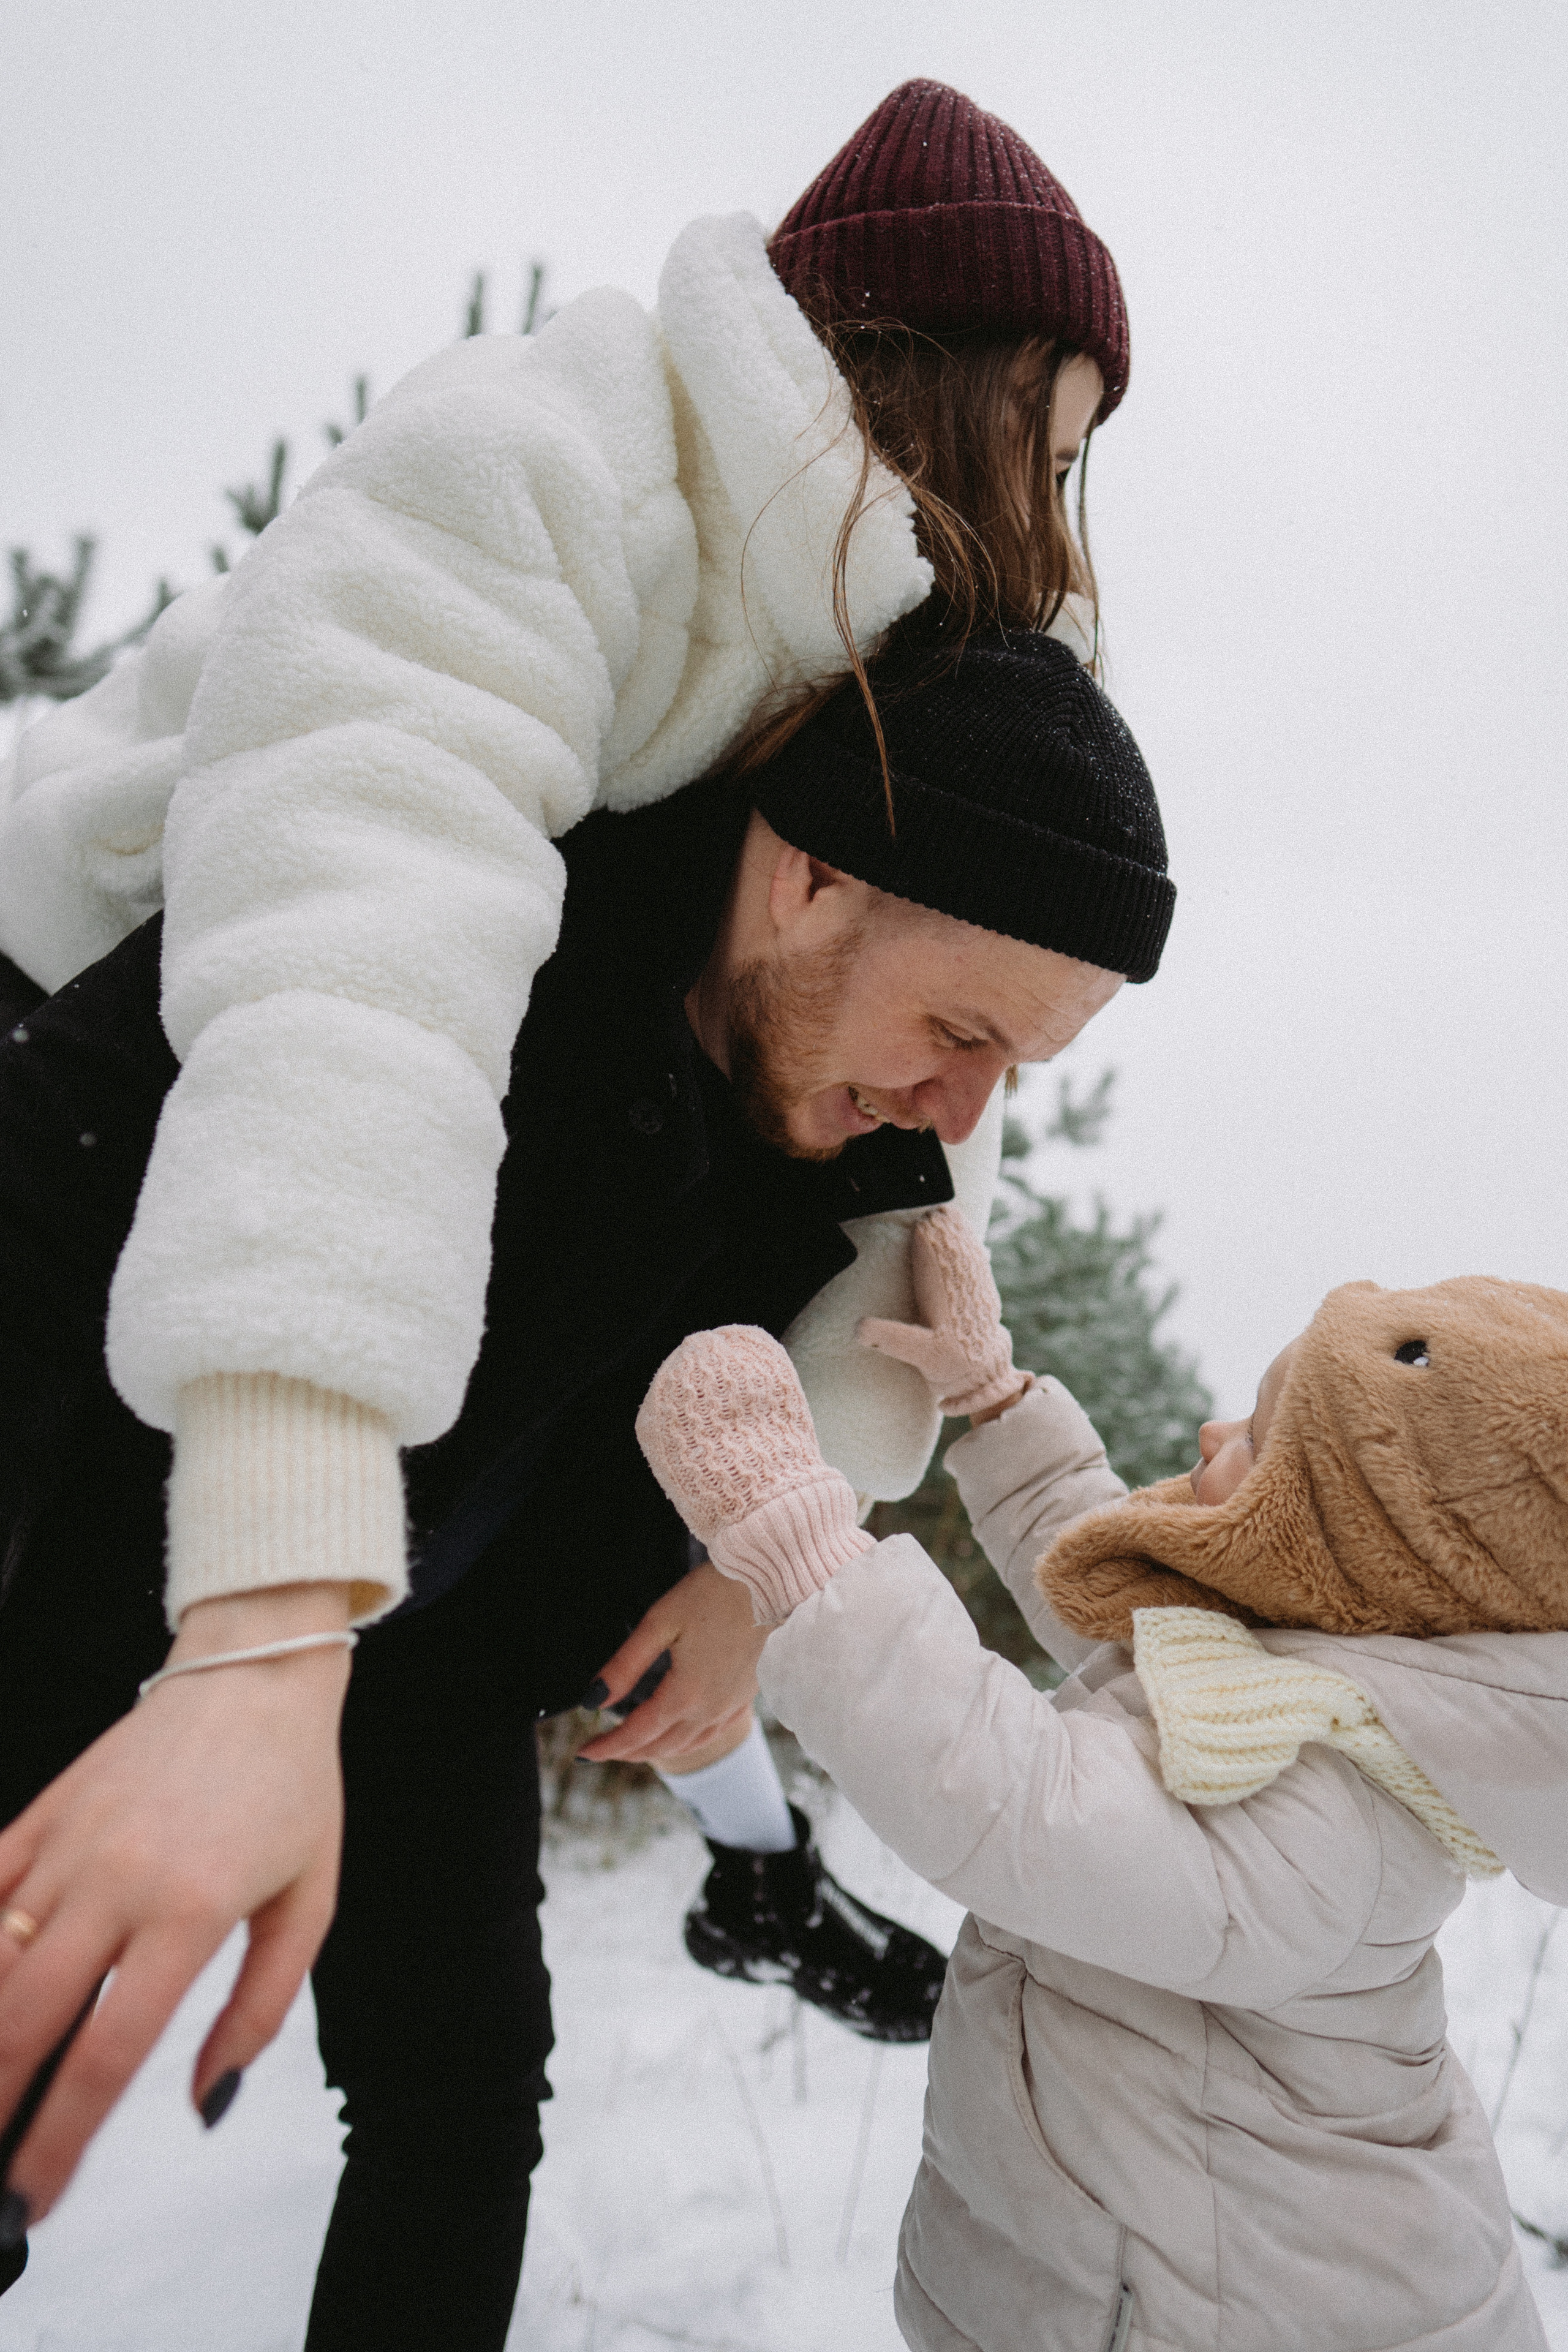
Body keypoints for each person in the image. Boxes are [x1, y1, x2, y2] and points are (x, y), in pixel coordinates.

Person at [0, 598, 1173, 2335]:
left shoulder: (845, 1150)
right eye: (964, 1030)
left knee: (461, 2113)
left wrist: (745, 1587)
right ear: (810, 881)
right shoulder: (448, 924)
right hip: (126, 1567)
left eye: (1020, 1066)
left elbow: (826, 1401)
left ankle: (765, 1881)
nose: (962, 1112)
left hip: (432, 1648)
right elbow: (43, 1180)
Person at [636, 1225, 1568, 2351]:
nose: (1212, 1433)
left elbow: (1023, 1809)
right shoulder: (1295, 1654)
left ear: (1361, 1536)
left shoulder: (1342, 1811)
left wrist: (802, 1551)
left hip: (1247, 2318)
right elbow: (1105, 1573)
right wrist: (994, 1399)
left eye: (1256, 1439)